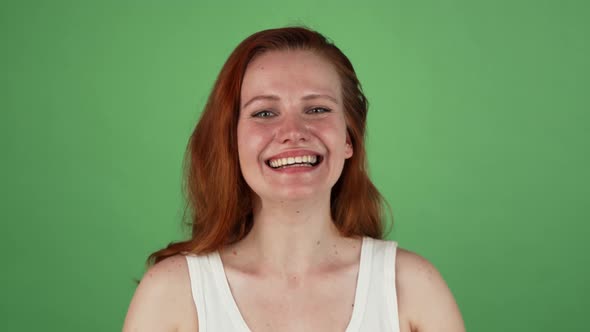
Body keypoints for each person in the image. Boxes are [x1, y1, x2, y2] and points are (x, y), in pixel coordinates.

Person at [123, 26, 465, 332]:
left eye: (317, 109)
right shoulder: (171, 294)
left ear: (349, 138)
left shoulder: (413, 288)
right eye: (264, 113)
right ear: (231, 142)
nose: (292, 132)